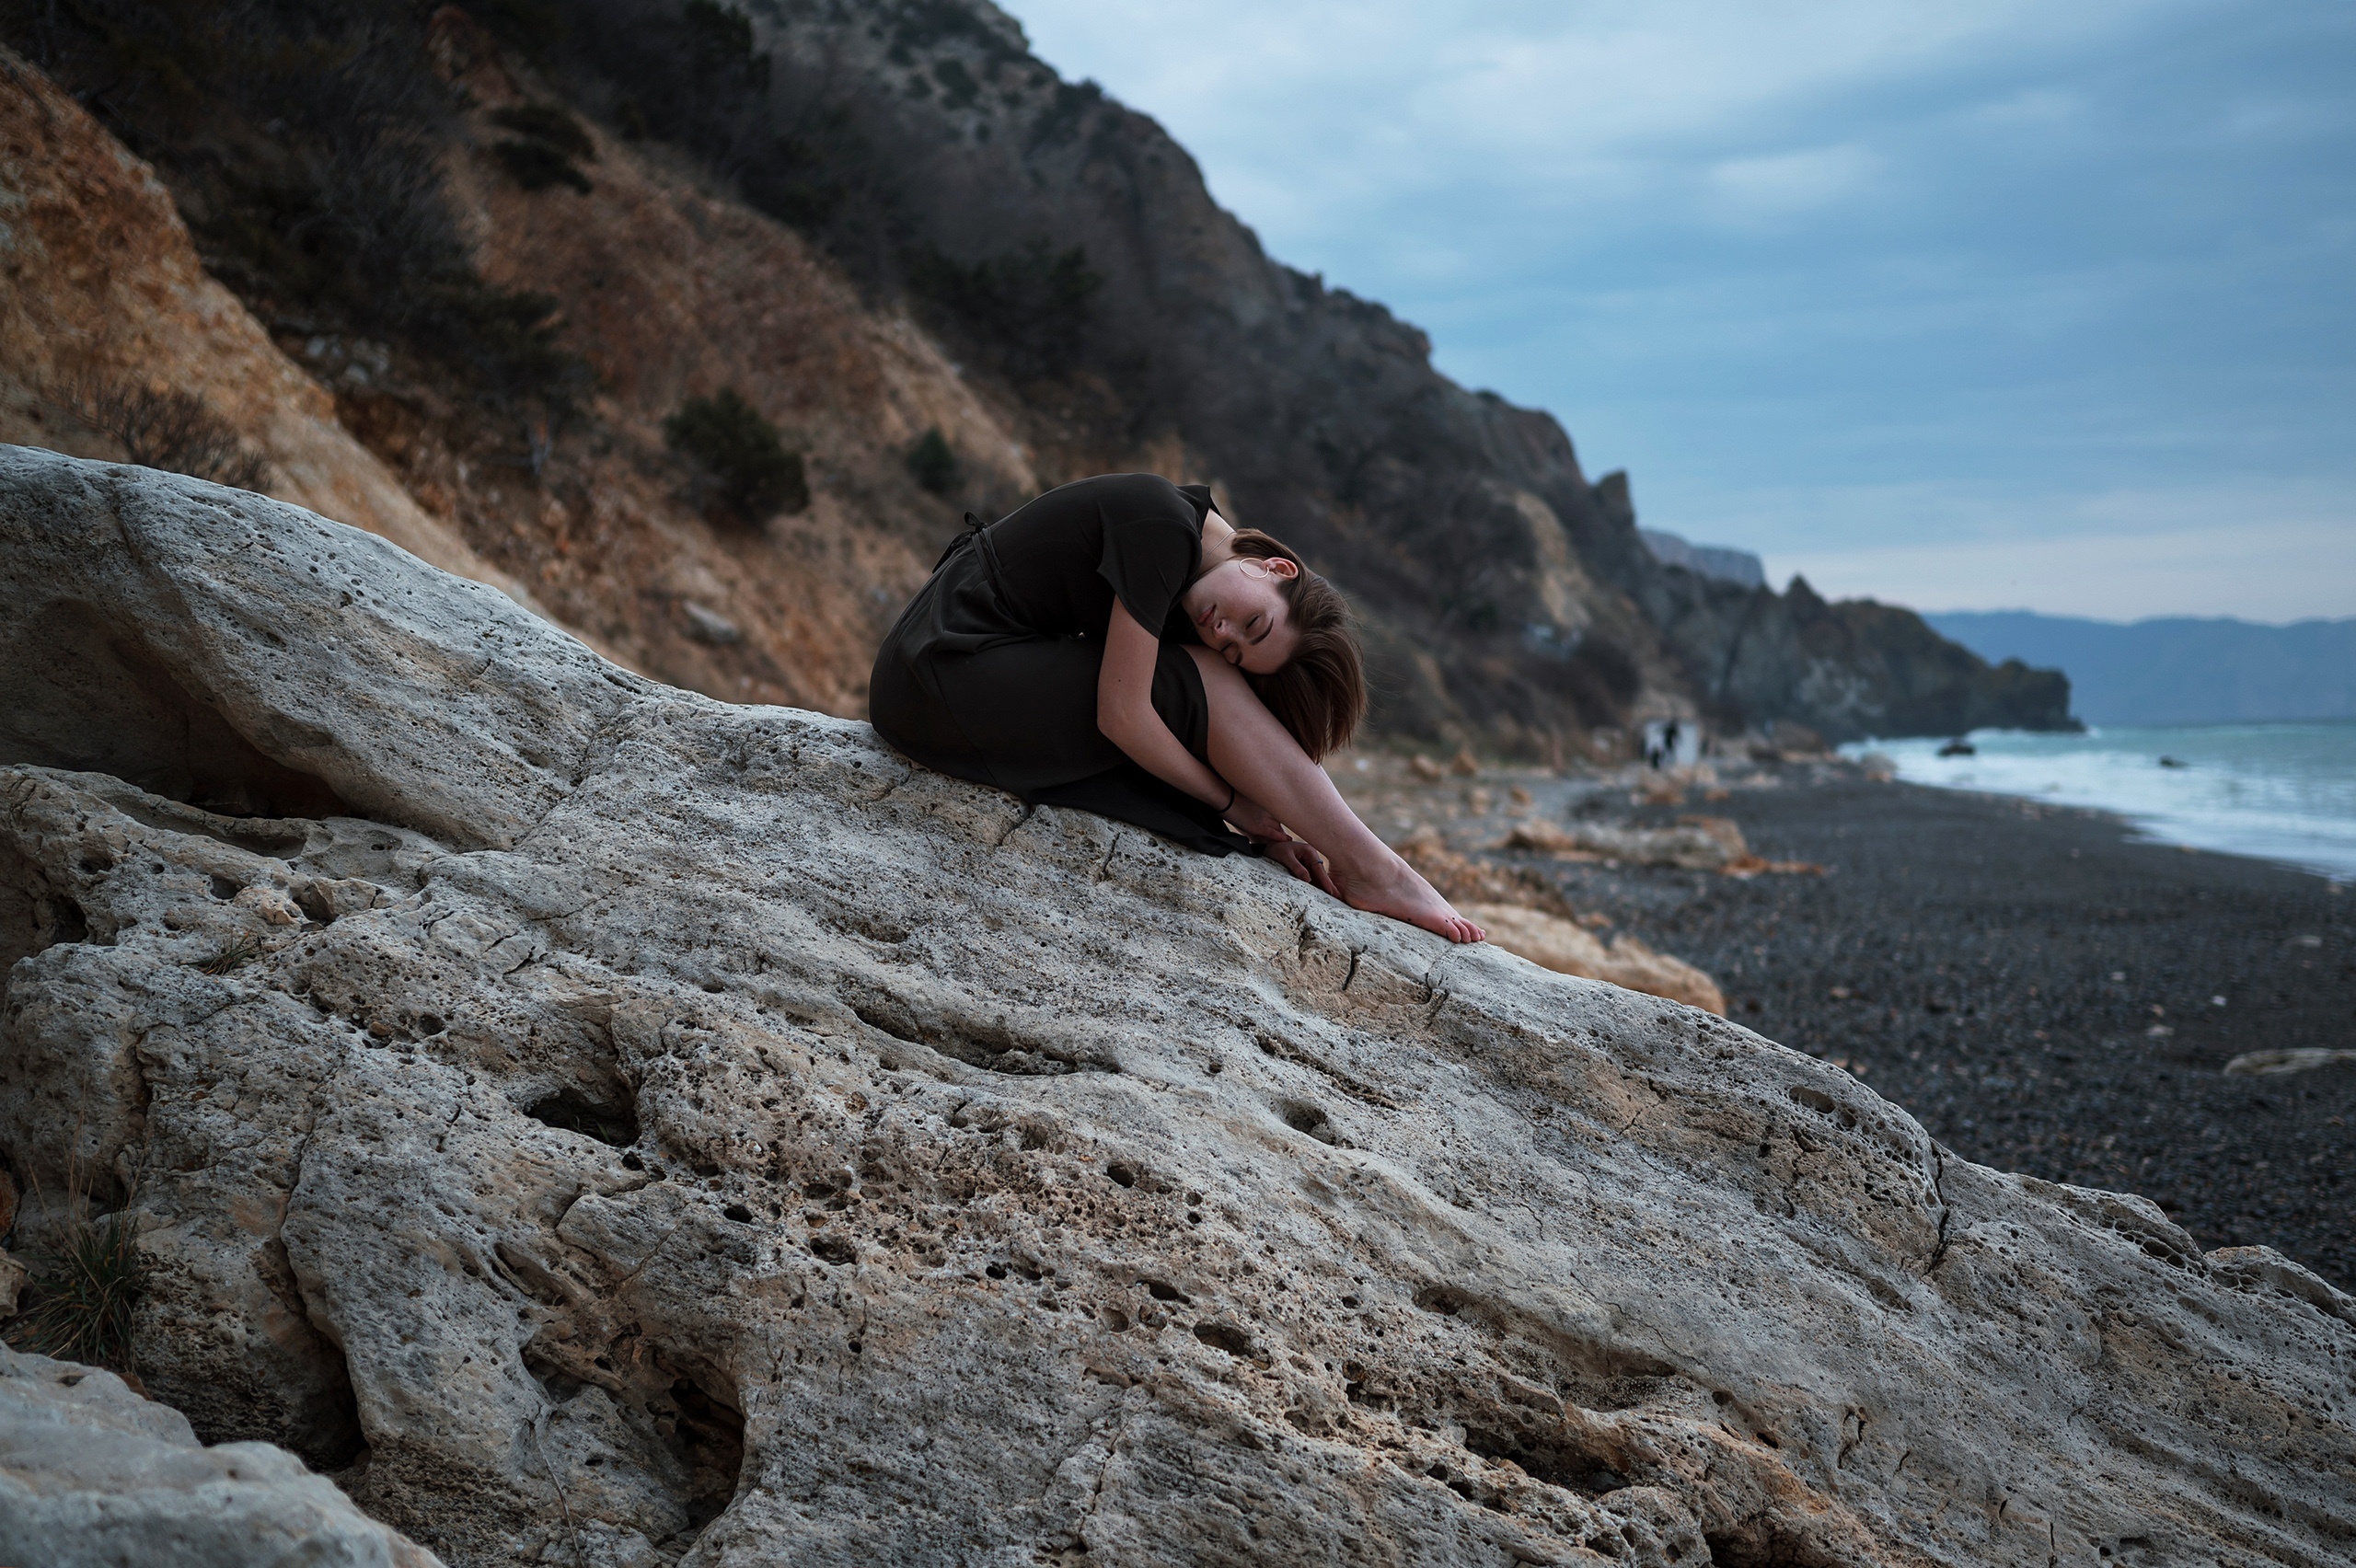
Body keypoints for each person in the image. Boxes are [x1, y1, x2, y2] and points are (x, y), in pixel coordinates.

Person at [870, 473, 1484, 943]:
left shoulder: (1195, 574)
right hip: (944, 671)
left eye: (1242, 647)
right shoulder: (1163, 527)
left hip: (949, 679)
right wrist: (1234, 807)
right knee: (1204, 679)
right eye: (1254, 622)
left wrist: (1266, 830)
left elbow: (1191, 728)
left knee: (1206, 678)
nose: (1226, 634)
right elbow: (1125, 716)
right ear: (1274, 567)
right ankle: (1376, 868)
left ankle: (1367, 861)